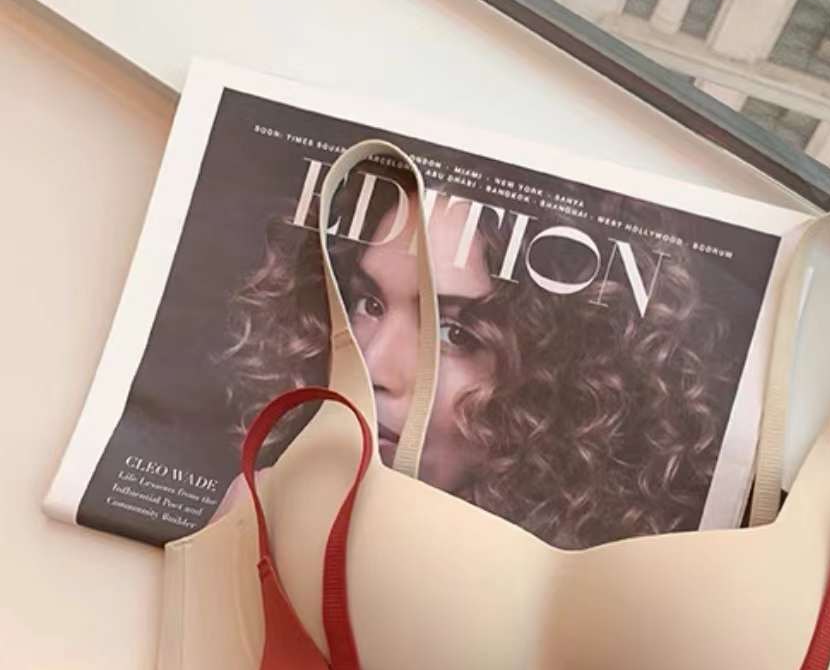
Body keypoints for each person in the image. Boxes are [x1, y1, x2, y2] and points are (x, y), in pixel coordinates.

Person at [214, 164, 742, 548]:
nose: (371, 364)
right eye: (369, 303)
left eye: (456, 332)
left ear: (570, 384)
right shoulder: (261, 512)